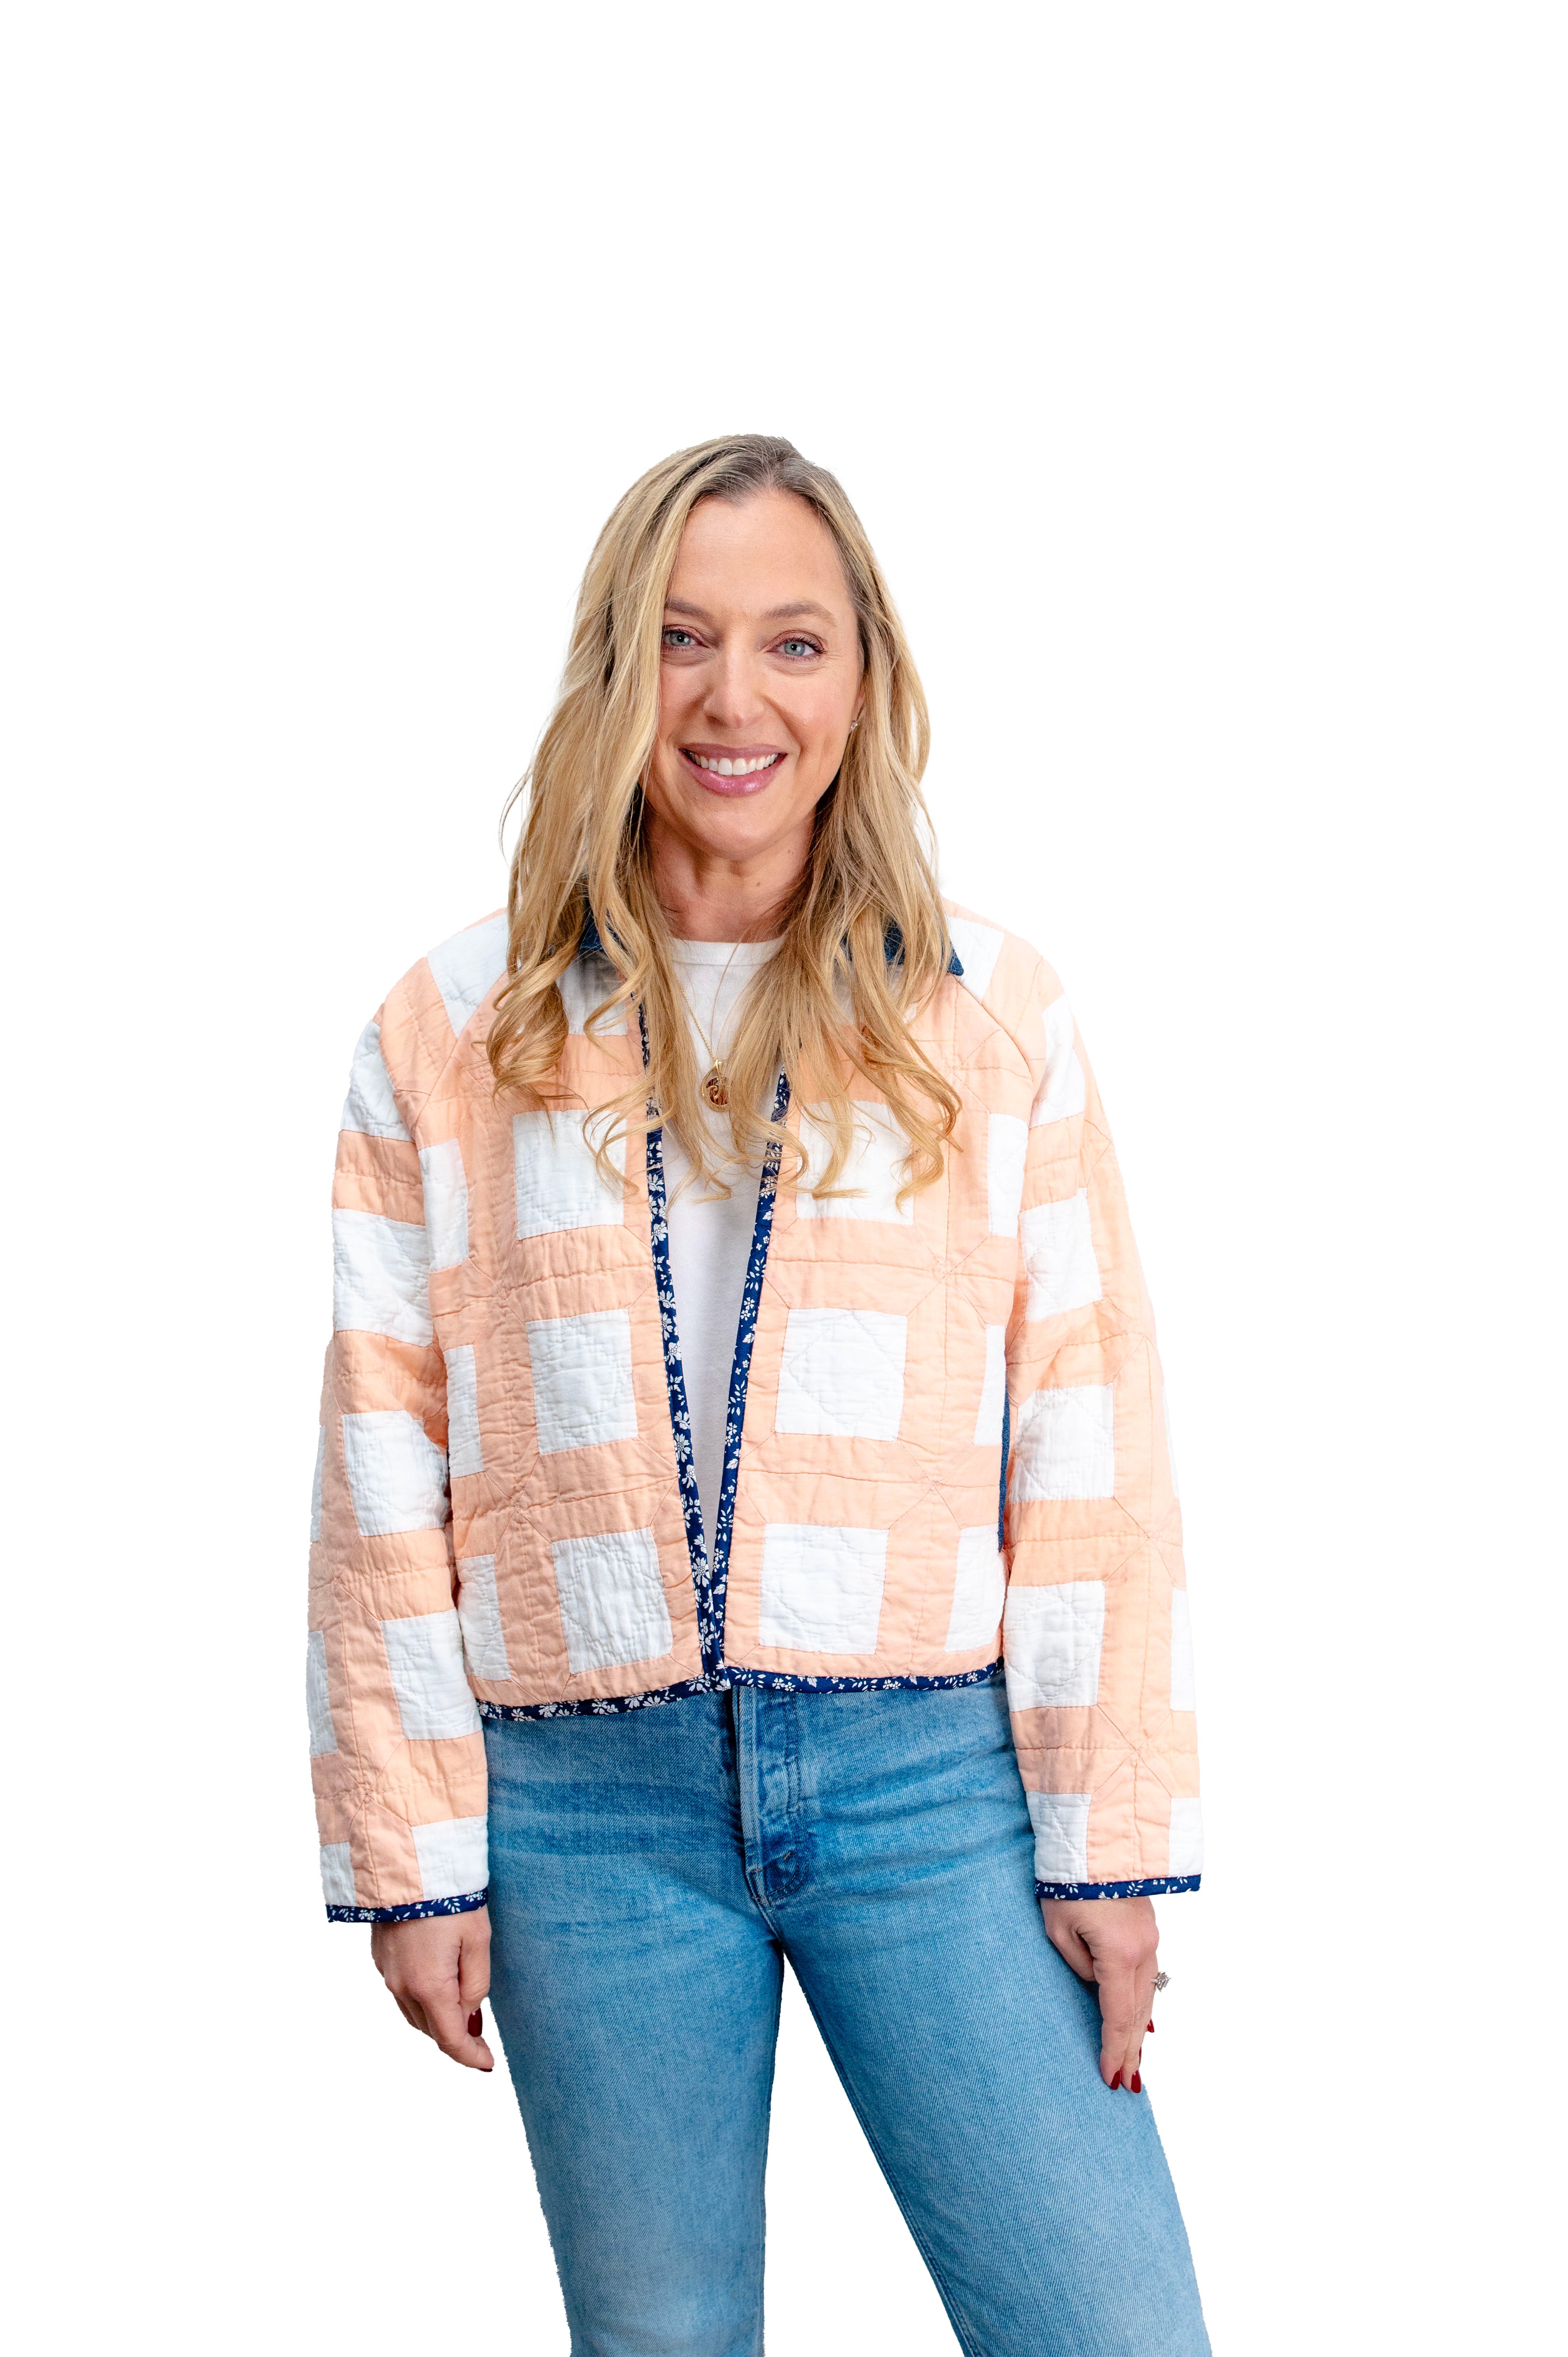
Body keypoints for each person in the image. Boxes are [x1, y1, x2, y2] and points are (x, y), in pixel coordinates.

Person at [307, 434, 1209, 2355]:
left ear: (863, 680)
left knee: (1110, 2331)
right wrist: (414, 1852)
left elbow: (1087, 1435)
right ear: (611, 672)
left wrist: (1105, 1833)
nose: (735, 700)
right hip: (584, 1809)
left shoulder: (985, 1013)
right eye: (681, 638)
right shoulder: (454, 1028)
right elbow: (384, 1461)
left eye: (794, 643)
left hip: (932, 1784)